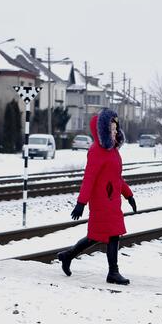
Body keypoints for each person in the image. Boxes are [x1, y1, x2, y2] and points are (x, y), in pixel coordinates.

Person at [57, 108, 137, 285]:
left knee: (96, 236)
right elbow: (89, 178)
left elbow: (116, 177)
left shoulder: (113, 150)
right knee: (112, 234)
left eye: (117, 127)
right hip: (101, 200)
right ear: (104, 129)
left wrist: (128, 195)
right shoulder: (96, 151)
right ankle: (113, 273)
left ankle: (67, 256)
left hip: (112, 199)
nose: (116, 131)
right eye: (112, 128)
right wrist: (81, 203)